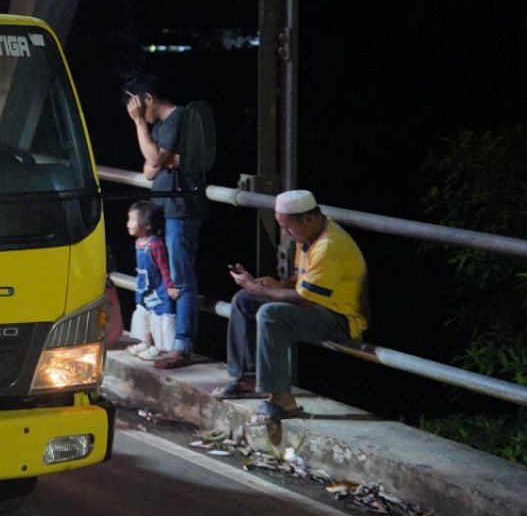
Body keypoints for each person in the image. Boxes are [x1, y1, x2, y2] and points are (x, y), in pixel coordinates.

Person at [218, 189, 369, 420]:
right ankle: (247, 378)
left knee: (271, 314)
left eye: (288, 227)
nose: (286, 233)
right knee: (244, 300)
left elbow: (304, 298)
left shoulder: (328, 244)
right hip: (316, 305)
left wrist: (259, 289)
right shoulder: (308, 234)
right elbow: (300, 281)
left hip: (339, 317)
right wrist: (277, 285)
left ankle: (282, 399)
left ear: (308, 219)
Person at [123, 74, 207, 369]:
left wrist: (139, 125)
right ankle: (163, 340)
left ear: (147, 98)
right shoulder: (160, 126)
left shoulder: (179, 118)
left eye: (137, 107)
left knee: (181, 279)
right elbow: (148, 169)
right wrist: (156, 157)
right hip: (164, 208)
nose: (137, 113)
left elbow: (154, 160)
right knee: (162, 278)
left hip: (180, 208)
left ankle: (182, 345)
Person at [125, 199, 178, 360]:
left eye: (133, 220)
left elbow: (164, 268)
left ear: (147, 225)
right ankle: (146, 342)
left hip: (158, 288)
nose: (128, 224)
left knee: (158, 315)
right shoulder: (139, 243)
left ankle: (158, 347)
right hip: (144, 286)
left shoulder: (154, 244)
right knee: (144, 312)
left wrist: (169, 286)